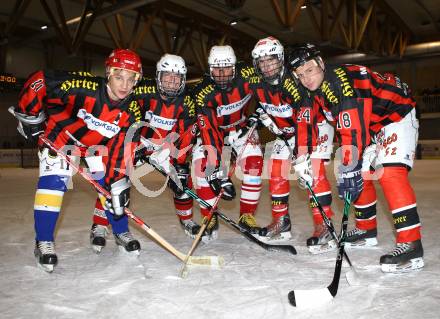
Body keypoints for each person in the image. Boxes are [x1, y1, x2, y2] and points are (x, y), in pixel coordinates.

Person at [288, 43, 423, 273]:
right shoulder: (310, 89)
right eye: (300, 75)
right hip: (370, 124)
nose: (306, 79)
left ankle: (411, 244)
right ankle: (366, 230)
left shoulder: (339, 82)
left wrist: (350, 166)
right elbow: (304, 123)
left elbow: (351, 130)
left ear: (321, 63)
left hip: (396, 114)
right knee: (356, 173)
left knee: (389, 173)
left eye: (309, 70)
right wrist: (302, 160)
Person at [11, 48, 143, 272]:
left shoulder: (132, 112)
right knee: (54, 184)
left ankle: (120, 232)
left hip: (96, 146)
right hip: (61, 137)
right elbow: (39, 80)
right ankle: (43, 241)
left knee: (113, 189)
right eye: (119, 77)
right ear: (109, 73)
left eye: (131, 79)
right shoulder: (84, 87)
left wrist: (117, 182)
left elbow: (121, 152)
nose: (125, 85)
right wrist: (29, 114)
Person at [89, 53, 199, 244]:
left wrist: (179, 163)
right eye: (167, 76)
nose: (172, 82)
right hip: (137, 141)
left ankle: (187, 221)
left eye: (177, 77)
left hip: (164, 147)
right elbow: (125, 116)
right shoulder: (141, 91)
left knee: (182, 184)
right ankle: (99, 224)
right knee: (115, 180)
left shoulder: (187, 101)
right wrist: (132, 144)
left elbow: (185, 133)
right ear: (158, 76)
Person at [250, 36, 336, 248]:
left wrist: (302, 153)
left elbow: (305, 116)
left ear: (281, 59)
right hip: (288, 132)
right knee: (276, 171)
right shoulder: (257, 83)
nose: (267, 66)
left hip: (314, 126)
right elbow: (268, 104)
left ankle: (324, 224)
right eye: (262, 62)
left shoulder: (293, 80)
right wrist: (260, 116)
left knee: (312, 172)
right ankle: (282, 222)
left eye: (271, 60)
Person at [193, 45, 264, 242]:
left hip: (242, 128)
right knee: (202, 168)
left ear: (234, 67)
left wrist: (259, 113)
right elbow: (207, 131)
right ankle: (209, 216)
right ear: (209, 69)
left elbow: (268, 89)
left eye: (226, 69)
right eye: (217, 69)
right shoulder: (202, 92)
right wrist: (216, 169)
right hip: (215, 134)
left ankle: (247, 215)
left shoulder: (248, 74)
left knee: (254, 162)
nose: (222, 74)